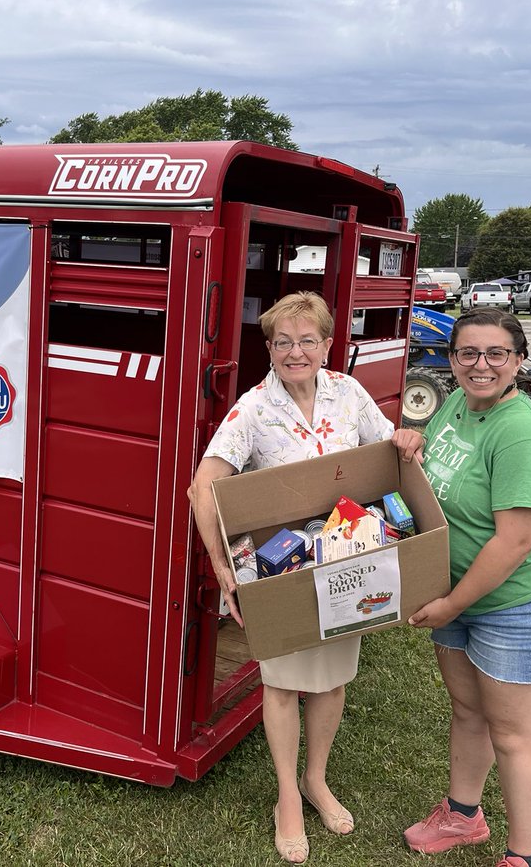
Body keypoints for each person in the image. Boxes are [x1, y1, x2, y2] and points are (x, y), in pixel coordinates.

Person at [189, 291, 395, 864]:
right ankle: (286, 796)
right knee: (281, 684)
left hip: (347, 557)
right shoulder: (253, 408)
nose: (295, 351)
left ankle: (316, 780)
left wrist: (406, 439)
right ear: (270, 348)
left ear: (328, 344)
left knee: (332, 679)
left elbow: (388, 448)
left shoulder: (349, 393)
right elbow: (201, 488)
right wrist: (222, 566)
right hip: (281, 569)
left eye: (307, 340)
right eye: (282, 341)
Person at [389, 307, 531, 867]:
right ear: (451, 361)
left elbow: (514, 541)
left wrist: (449, 603)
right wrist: (413, 442)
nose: (481, 365)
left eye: (497, 354)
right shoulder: (456, 402)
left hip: (516, 602)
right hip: (455, 591)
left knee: (513, 732)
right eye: (468, 353)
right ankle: (463, 816)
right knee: (468, 711)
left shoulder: (521, 433)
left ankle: (522, 857)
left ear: (518, 362)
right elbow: (440, 455)